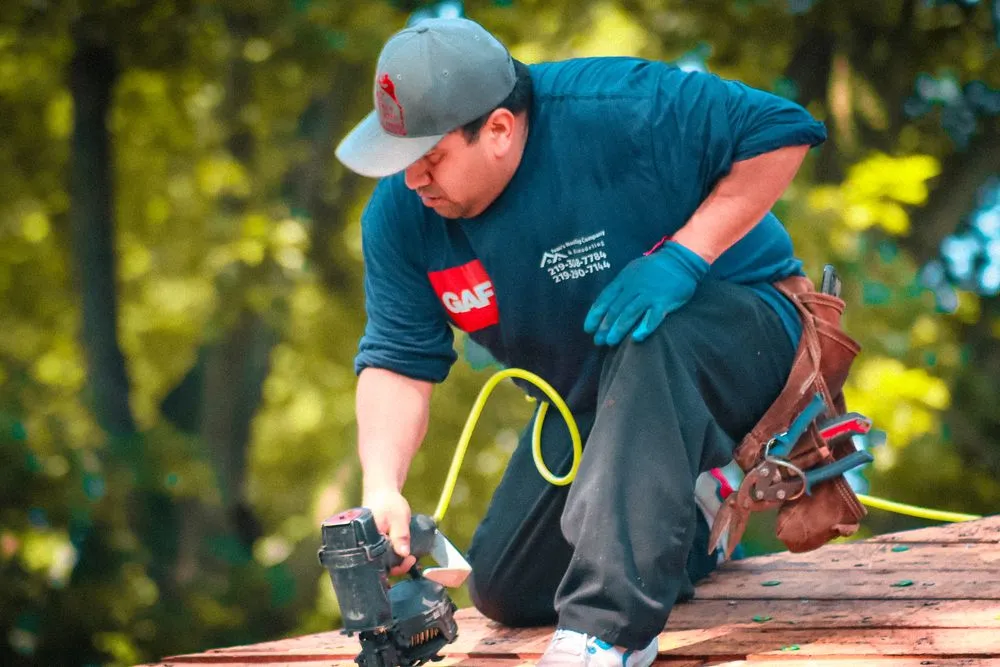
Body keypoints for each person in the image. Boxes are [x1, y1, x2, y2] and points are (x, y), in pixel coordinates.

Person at [335, 16, 827, 667]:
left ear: (499, 131)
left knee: (653, 334)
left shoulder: (619, 109)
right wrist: (382, 485)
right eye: (401, 162)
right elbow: (397, 363)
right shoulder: (402, 218)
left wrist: (685, 257)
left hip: (750, 336)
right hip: (612, 400)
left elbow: (782, 129)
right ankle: (700, 506)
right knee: (506, 584)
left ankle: (613, 631)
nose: (414, 180)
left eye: (430, 159)